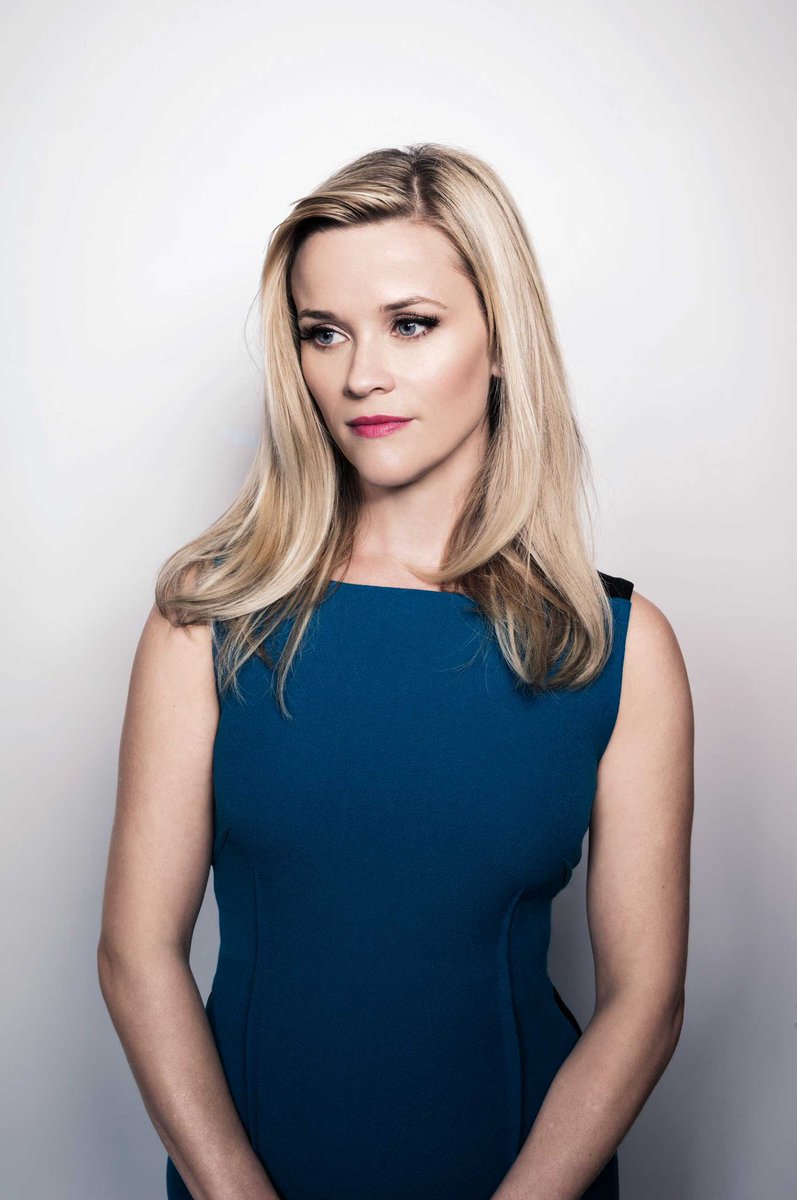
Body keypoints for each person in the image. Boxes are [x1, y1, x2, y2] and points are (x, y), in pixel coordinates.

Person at [97, 142, 694, 1200]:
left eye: (410, 324)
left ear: (500, 342)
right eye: (322, 332)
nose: (358, 374)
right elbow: (136, 956)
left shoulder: (613, 645)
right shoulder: (209, 619)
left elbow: (644, 1002)